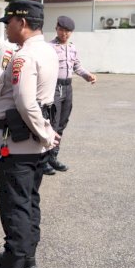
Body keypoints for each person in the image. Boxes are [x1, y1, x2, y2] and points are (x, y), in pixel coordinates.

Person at [0, 0, 59, 268]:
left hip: (20, 143)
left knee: (14, 205)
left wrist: (44, 133)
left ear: (21, 23)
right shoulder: (44, 50)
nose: (6, 27)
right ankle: (26, 256)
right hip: (34, 143)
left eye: (8, 22)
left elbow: (25, 101)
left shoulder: (23, 57)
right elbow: (19, 85)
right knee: (29, 200)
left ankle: (12, 267)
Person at [48, 15, 96, 172]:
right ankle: (44, 160)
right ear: (56, 29)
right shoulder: (49, 47)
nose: (64, 34)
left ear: (71, 32)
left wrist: (87, 76)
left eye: (68, 31)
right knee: (51, 122)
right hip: (54, 87)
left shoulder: (73, 48)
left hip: (67, 87)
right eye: (61, 30)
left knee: (62, 122)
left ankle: (53, 157)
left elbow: (77, 66)